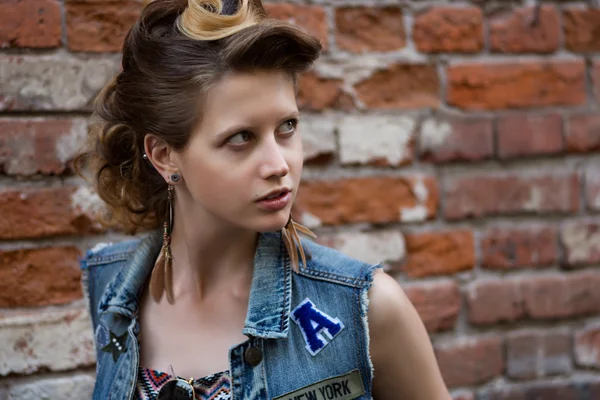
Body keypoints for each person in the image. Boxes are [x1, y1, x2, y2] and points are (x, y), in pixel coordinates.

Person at [75, 0, 451, 399]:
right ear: (165, 156)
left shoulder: (365, 308)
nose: (279, 165)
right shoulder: (112, 288)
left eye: (287, 127)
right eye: (241, 138)